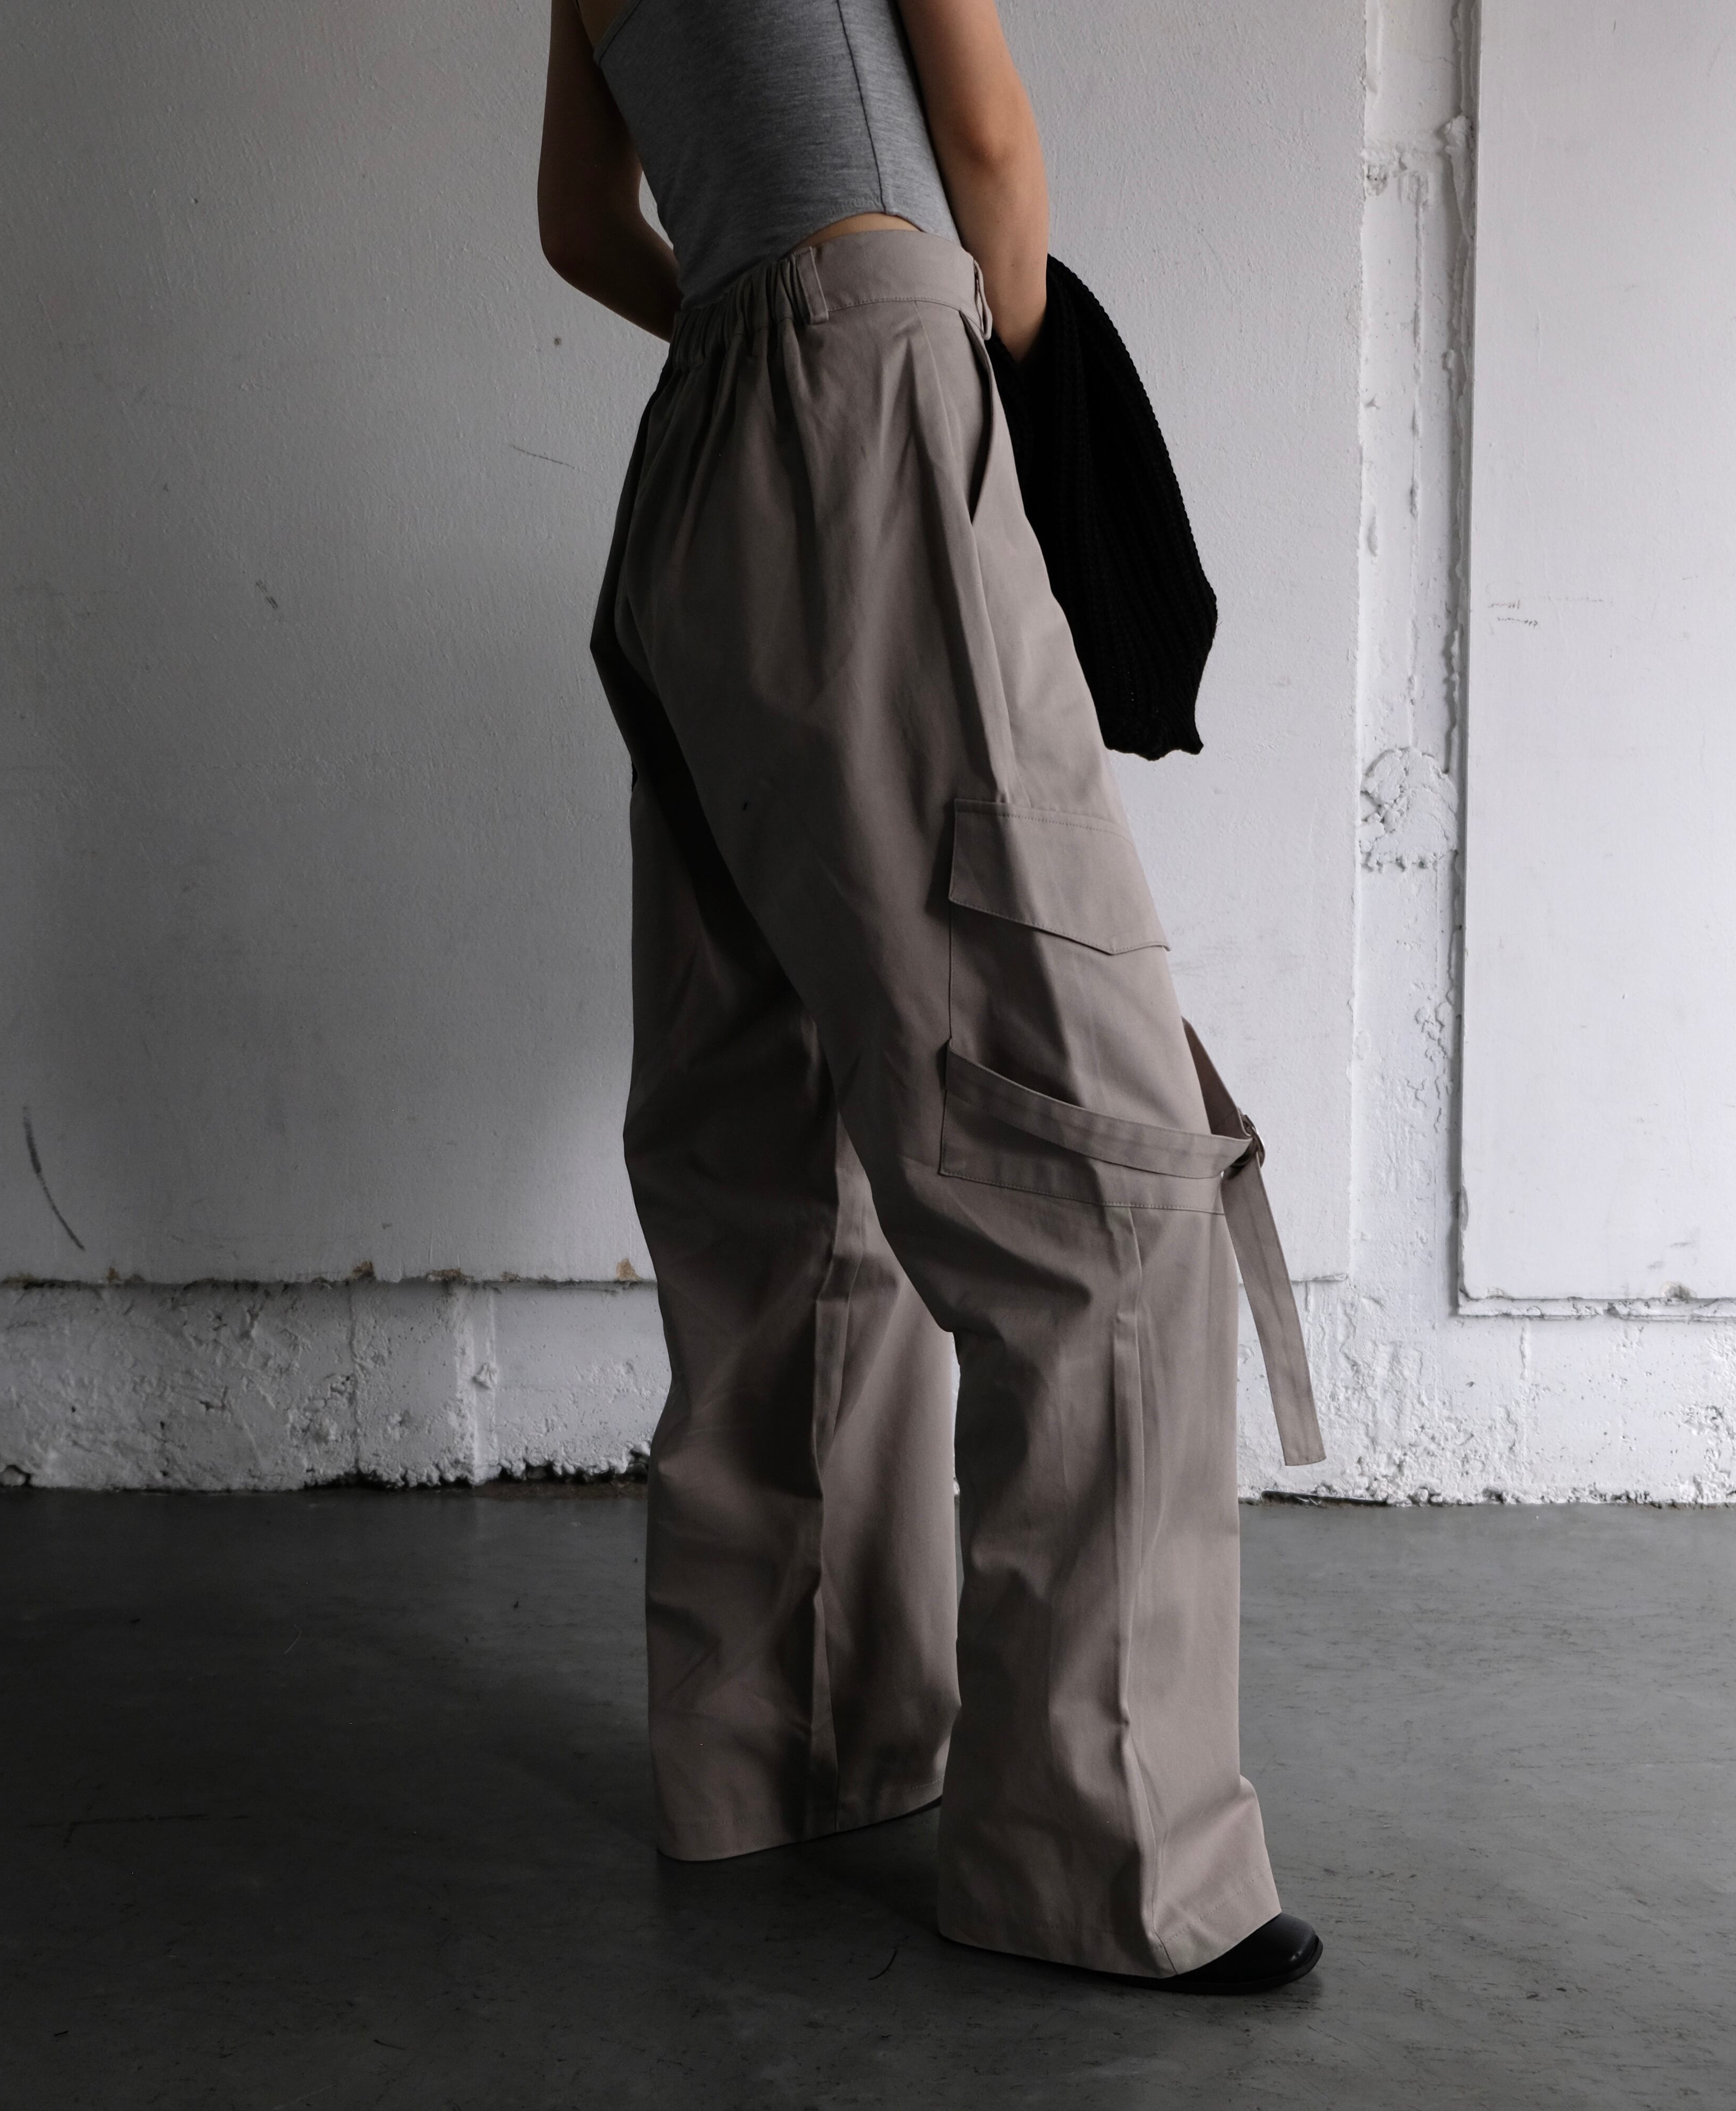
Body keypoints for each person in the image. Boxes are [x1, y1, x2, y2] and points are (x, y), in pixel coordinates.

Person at [536, 0, 1322, 1992]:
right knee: (1090, 1159)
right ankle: (1108, 1851)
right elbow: (983, 140)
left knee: (767, 1130)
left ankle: (782, 1749)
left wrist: (747, 345)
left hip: (693, 473)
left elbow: (577, 222)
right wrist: (986, 388)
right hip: (874, 393)